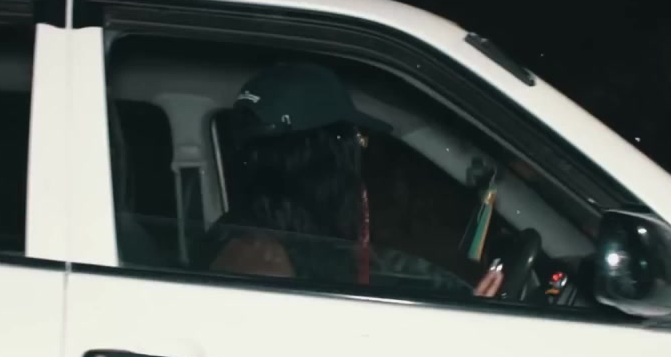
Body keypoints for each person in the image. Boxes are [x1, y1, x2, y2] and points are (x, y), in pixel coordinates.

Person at [201, 61, 503, 298]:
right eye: (353, 142)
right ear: (321, 159)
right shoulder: (260, 260)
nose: (359, 161)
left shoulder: (293, 239)